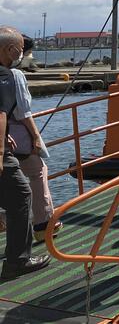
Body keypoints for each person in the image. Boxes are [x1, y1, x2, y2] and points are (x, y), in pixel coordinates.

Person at [0, 26, 50, 279]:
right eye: (19, 50)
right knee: (21, 193)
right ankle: (18, 261)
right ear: (10, 50)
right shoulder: (6, 76)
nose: (21, 54)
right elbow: (2, 113)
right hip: (3, 150)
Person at [8, 36, 61, 242]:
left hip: (6, 136)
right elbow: (23, 111)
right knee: (38, 172)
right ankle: (44, 223)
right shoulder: (15, 75)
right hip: (18, 137)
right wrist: (36, 137)